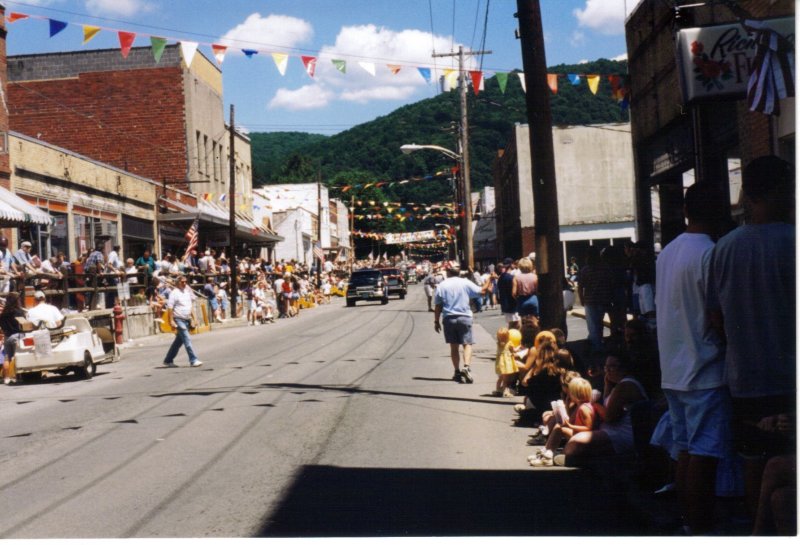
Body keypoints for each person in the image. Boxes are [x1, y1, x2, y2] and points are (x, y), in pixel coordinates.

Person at [707, 155, 796, 524]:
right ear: (777, 191)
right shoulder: (793, 241)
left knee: (753, 463)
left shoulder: (724, 248)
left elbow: (714, 319)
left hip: (743, 379)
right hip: (789, 379)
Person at [655, 183, 730, 535]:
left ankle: (687, 522)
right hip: (705, 368)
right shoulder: (712, 252)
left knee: (683, 448)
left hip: (673, 367)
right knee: (704, 452)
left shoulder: (667, 252)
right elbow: (717, 316)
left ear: (686, 211)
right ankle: (700, 526)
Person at [563, 349, 648, 461]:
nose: (607, 370)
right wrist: (607, 384)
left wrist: (595, 405)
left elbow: (609, 417)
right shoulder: (617, 385)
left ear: (623, 368)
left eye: (612, 367)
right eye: (606, 367)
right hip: (611, 432)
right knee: (572, 437)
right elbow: (607, 402)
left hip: (621, 434)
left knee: (576, 441)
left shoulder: (625, 386)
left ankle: (575, 457)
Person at [433, 262, 483, 383]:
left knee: (454, 347)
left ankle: (456, 371)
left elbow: (438, 306)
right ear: (459, 272)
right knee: (467, 344)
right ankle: (466, 367)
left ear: (448, 272)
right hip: (465, 316)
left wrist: (436, 321)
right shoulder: (465, 282)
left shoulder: (442, 285)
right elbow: (480, 291)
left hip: (449, 318)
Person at [529, 377, 597, 466]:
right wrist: (567, 407)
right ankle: (547, 451)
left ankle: (548, 455)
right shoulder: (579, 405)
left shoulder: (584, 408)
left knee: (560, 429)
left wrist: (571, 426)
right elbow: (571, 419)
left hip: (581, 435)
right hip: (577, 432)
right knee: (558, 426)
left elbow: (588, 428)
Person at [578, 247, 614, 352]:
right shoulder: (605, 268)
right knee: (599, 323)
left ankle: (596, 347)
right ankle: (599, 343)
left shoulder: (585, 270)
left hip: (590, 300)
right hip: (603, 299)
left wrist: (581, 299)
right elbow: (610, 283)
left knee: (592, 325)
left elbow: (580, 286)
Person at [163, 275, 202, 368]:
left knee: (178, 342)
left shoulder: (187, 292)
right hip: (179, 319)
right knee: (187, 340)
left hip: (187, 319)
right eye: (182, 282)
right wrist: (171, 320)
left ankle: (168, 360)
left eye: (185, 282)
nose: (184, 284)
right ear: (177, 283)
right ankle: (193, 360)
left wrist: (194, 318)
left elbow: (190, 306)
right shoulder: (174, 293)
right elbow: (170, 308)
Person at [0, 293, 26, 384]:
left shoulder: (3, 314)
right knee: (17, 357)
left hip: (7, 337)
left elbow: (2, 326)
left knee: (7, 358)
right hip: (17, 336)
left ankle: (6, 378)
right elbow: (24, 324)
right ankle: (16, 377)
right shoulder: (19, 312)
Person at [493, 327, 519, 398]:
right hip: (506, 364)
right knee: (506, 380)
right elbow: (514, 350)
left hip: (500, 364)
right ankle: (505, 391)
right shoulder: (509, 343)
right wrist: (518, 347)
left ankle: (498, 390)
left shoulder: (498, 343)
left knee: (500, 378)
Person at [512, 257, 539, 321]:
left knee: (523, 320)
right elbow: (538, 290)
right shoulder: (535, 276)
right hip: (533, 299)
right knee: (535, 319)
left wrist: (517, 298)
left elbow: (513, 293)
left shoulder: (516, 278)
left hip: (522, 300)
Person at [497, 258, 519, 329]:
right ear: (511, 265)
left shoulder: (500, 278)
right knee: (517, 324)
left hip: (505, 304)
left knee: (511, 324)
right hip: (513, 305)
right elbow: (514, 293)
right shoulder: (512, 278)